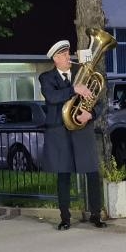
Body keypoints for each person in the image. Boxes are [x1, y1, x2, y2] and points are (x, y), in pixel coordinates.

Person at [39, 40, 106, 230]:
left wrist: (90, 114)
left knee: (92, 173)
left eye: (69, 54)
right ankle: (65, 218)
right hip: (59, 132)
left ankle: (96, 214)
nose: (69, 58)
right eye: (64, 55)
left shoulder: (82, 75)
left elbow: (98, 102)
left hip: (82, 131)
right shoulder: (47, 77)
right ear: (55, 59)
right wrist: (73, 90)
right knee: (63, 176)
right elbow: (51, 97)